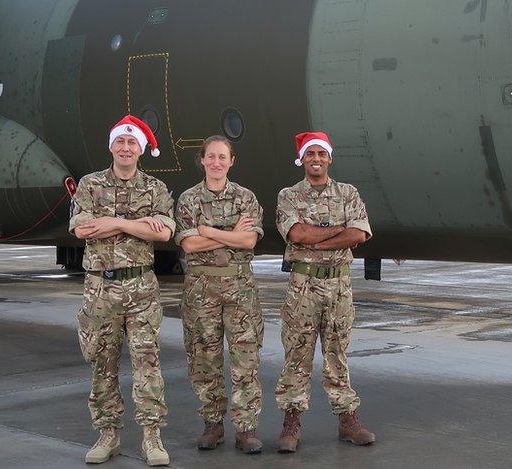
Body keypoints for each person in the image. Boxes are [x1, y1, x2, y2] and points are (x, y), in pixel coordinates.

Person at [70, 115, 174, 466]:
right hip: (100, 288)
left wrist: (114, 222)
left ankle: (152, 438)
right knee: (103, 361)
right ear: (112, 146)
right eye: (120, 142)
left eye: (132, 143)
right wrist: (139, 225)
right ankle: (108, 434)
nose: (126, 148)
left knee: (147, 362)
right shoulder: (90, 184)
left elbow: (163, 233)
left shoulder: (155, 188)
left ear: (141, 150)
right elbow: (81, 229)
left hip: (141, 286)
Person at [274, 131, 375, 453]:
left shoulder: (348, 192)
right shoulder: (289, 195)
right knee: (297, 355)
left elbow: (358, 234)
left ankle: (348, 419)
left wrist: (315, 240)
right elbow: (296, 232)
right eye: (310, 154)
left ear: (329, 158)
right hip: (303, 287)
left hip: (338, 286)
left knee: (337, 354)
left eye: (321, 154)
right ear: (301, 159)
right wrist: (337, 232)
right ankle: (292, 422)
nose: (315, 159)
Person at [174, 136, 265, 454]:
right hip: (201, 291)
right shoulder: (188, 199)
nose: (216, 162)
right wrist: (231, 234)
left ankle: (246, 429)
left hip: (240, 290)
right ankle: (212, 425)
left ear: (232, 160)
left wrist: (208, 231)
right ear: (202, 160)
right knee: (205, 359)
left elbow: (250, 241)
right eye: (210, 157)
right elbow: (188, 245)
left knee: (245, 361)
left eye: (222, 157)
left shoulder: (245, 197)